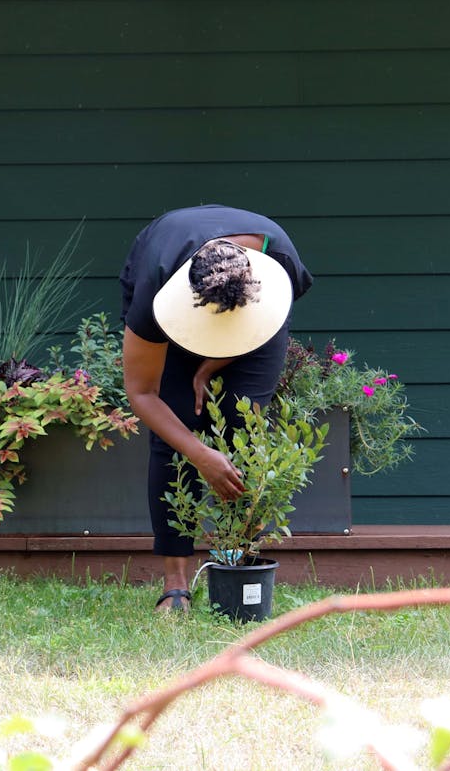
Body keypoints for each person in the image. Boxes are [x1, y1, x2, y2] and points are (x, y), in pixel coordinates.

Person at [119, 204, 313, 611]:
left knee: (246, 429)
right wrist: (199, 453)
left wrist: (209, 367)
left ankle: (238, 568)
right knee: (174, 435)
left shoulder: (279, 264)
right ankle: (176, 586)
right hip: (171, 300)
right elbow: (141, 393)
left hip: (255, 318)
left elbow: (257, 328)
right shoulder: (157, 285)